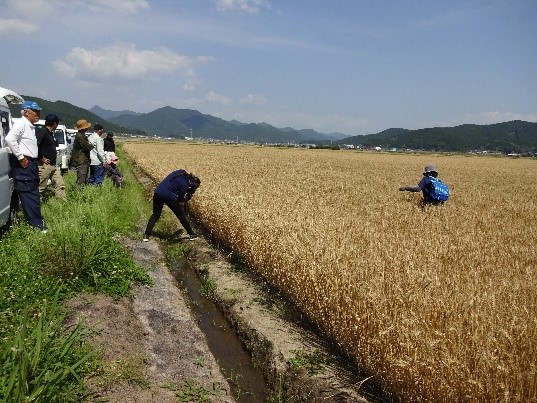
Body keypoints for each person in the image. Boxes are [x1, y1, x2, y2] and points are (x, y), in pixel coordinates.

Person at [4, 100, 47, 231]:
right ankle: (37, 225)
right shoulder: (22, 124)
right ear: (26, 112)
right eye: (36, 111)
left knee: (32, 192)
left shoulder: (29, 126)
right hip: (24, 164)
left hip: (31, 163)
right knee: (30, 194)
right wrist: (21, 157)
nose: (38, 114)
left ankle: (36, 221)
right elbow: (10, 139)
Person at [143, 170, 201, 242]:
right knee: (181, 216)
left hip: (158, 192)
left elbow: (176, 184)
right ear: (191, 186)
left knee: (155, 215)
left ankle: (146, 235)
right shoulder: (184, 185)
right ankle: (192, 234)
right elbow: (180, 199)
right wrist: (187, 198)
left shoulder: (181, 172)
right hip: (169, 197)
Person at [36, 113, 66, 200]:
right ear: (54, 124)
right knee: (41, 187)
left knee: (60, 184)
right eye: (57, 123)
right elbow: (35, 146)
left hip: (53, 165)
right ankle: (34, 206)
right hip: (44, 165)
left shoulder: (50, 133)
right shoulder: (42, 132)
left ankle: (61, 203)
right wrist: (41, 158)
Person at [70, 119, 93, 188]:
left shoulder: (80, 135)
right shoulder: (81, 136)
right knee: (81, 180)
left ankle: (80, 193)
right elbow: (88, 147)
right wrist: (91, 145)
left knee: (83, 179)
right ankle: (77, 195)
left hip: (82, 160)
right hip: (81, 160)